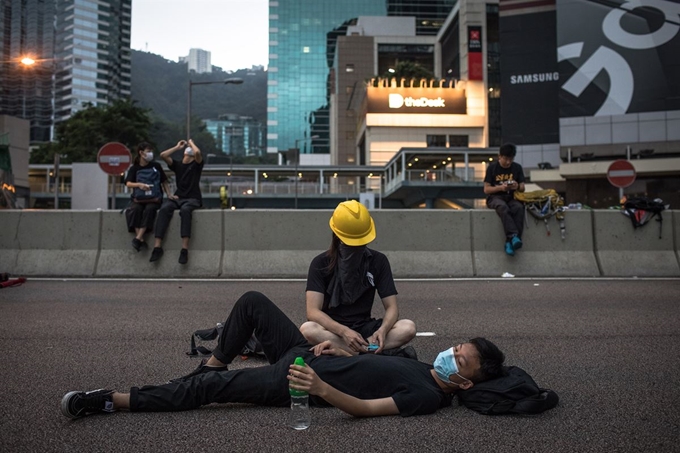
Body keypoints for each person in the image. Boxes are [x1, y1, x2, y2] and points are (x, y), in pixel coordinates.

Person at [61, 291, 506, 419]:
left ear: (464, 383)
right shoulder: (419, 364)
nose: (449, 355)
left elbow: (367, 408)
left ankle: (110, 400)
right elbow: (368, 362)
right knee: (253, 302)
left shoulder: (427, 397)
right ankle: (212, 360)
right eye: (455, 348)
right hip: (310, 352)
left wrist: (320, 387)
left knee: (213, 390)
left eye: (459, 360)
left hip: (298, 379)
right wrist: (332, 348)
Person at [300, 200, 416, 357]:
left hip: (365, 328)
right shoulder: (320, 263)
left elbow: (392, 307)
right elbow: (312, 312)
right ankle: (370, 351)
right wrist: (344, 331)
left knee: (408, 327)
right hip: (334, 329)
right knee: (308, 329)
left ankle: (348, 351)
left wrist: (383, 330)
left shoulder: (378, 261)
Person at [150, 138, 204, 265]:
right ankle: (157, 247)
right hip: (178, 197)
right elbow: (163, 155)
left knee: (185, 211)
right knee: (164, 209)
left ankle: (184, 249)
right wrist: (177, 147)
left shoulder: (196, 165)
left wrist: (191, 143)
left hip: (193, 198)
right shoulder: (178, 165)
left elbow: (197, 153)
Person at [124, 142, 172, 252]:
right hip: (139, 198)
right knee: (135, 210)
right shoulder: (134, 168)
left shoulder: (156, 166)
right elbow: (128, 183)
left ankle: (138, 238)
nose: (151, 154)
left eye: (151, 151)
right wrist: (139, 185)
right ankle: (140, 240)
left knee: (150, 209)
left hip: (154, 198)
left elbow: (164, 181)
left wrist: (169, 194)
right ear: (141, 153)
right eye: (148, 151)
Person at [483, 143, 526, 256]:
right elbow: (486, 190)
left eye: (511, 159)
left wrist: (516, 186)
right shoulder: (492, 168)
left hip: (512, 197)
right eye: (506, 159)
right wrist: (501, 188)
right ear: (500, 157)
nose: (508, 162)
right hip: (495, 197)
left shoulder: (517, 168)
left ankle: (510, 241)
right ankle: (513, 237)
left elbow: (522, 188)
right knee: (502, 207)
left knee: (519, 208)